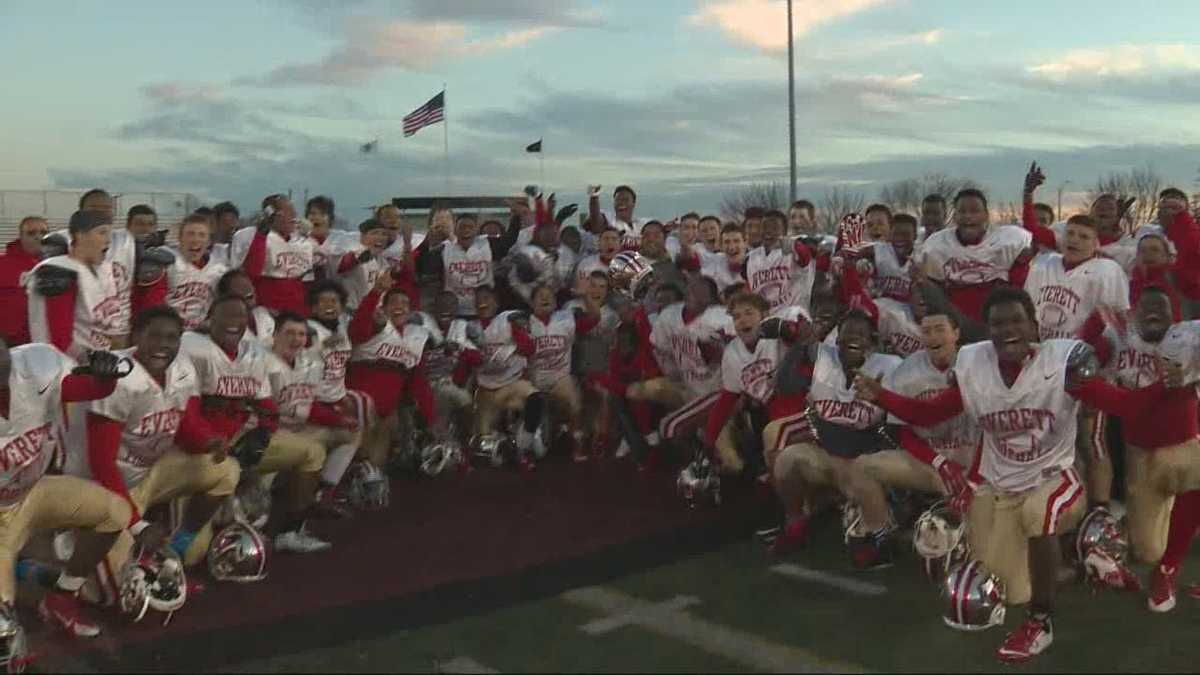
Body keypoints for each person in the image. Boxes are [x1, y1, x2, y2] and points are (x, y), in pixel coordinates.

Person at [853, 287, 1163, 662]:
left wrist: (1172, 387)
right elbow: (930, 414)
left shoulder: (1061, 364)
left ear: (1033, 326)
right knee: (1014, 590)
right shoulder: (974, 365)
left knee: (1038, 515)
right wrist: (881, 396)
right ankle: (1089, 563)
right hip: (1001, 483)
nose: (1007, 329)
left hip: (1054, 476)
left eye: (1017, 320)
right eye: (998, 323)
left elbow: (1124, 405)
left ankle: (1040, 623)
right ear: (987, 330)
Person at [67, 306, 237, 604]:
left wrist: (208, 441)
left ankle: (178, 546)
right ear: (136, 336)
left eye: (171, 338)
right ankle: (52, 554)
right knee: (115, 595)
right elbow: (102, 465)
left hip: (146, 474)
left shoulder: (181, 369)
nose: (163, 345)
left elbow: (182, 426)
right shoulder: (118, 375)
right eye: (154, 335)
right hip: (101, 488)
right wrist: (138, 525)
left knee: (225, 470)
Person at [0, 340, 133, 639]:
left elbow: (89, 389)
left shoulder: (36, 362)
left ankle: (61, 596)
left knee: (114, 512)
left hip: (34, 491)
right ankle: (24, 571)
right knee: (3, 628)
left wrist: (104, 377)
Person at [917, 189, 1033, 330]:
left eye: (974, 211)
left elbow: (1033, 247)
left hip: (998, 323)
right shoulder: (937, 245)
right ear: (955, 216)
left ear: (986, 215)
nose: (968, 216)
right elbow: (934, 292)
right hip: (957, 325)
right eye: (962, 211)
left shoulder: (1009, 239)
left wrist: (1025, 256)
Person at [28, 210, 121, 360]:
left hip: (98, 358)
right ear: (80, 235)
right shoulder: (58, 269)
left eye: (110, 234)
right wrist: (91, 362)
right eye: (102, 232)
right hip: (63, 365)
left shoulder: (104, 270)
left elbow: (112, 328)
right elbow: (60, 340)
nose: (108, 240)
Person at [236, 195, 316, 316]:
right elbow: (250, 274)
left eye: (293, 211)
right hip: (268, 309)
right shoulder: (253, 237)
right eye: (288, 211)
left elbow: (308, 282)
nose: (294, 215)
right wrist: (261, 235)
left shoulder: (304, 241)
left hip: (298, 311)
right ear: (274, 215)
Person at [745, 210, 815, 316]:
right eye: (764, 227)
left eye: (774, 228)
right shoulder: (751, 258)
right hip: (765, 319)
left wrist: (795, 246)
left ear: (784, 232)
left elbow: (805, 257)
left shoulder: (794, 249)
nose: (768, 231)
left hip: (793, 318)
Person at [0, 216, 48, 346]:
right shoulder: (2, 264)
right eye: (31, 233)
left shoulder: (57, 265)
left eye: (43, 232)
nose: (38, 237)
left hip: (44, 340)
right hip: (8, 342)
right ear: (21, 236)